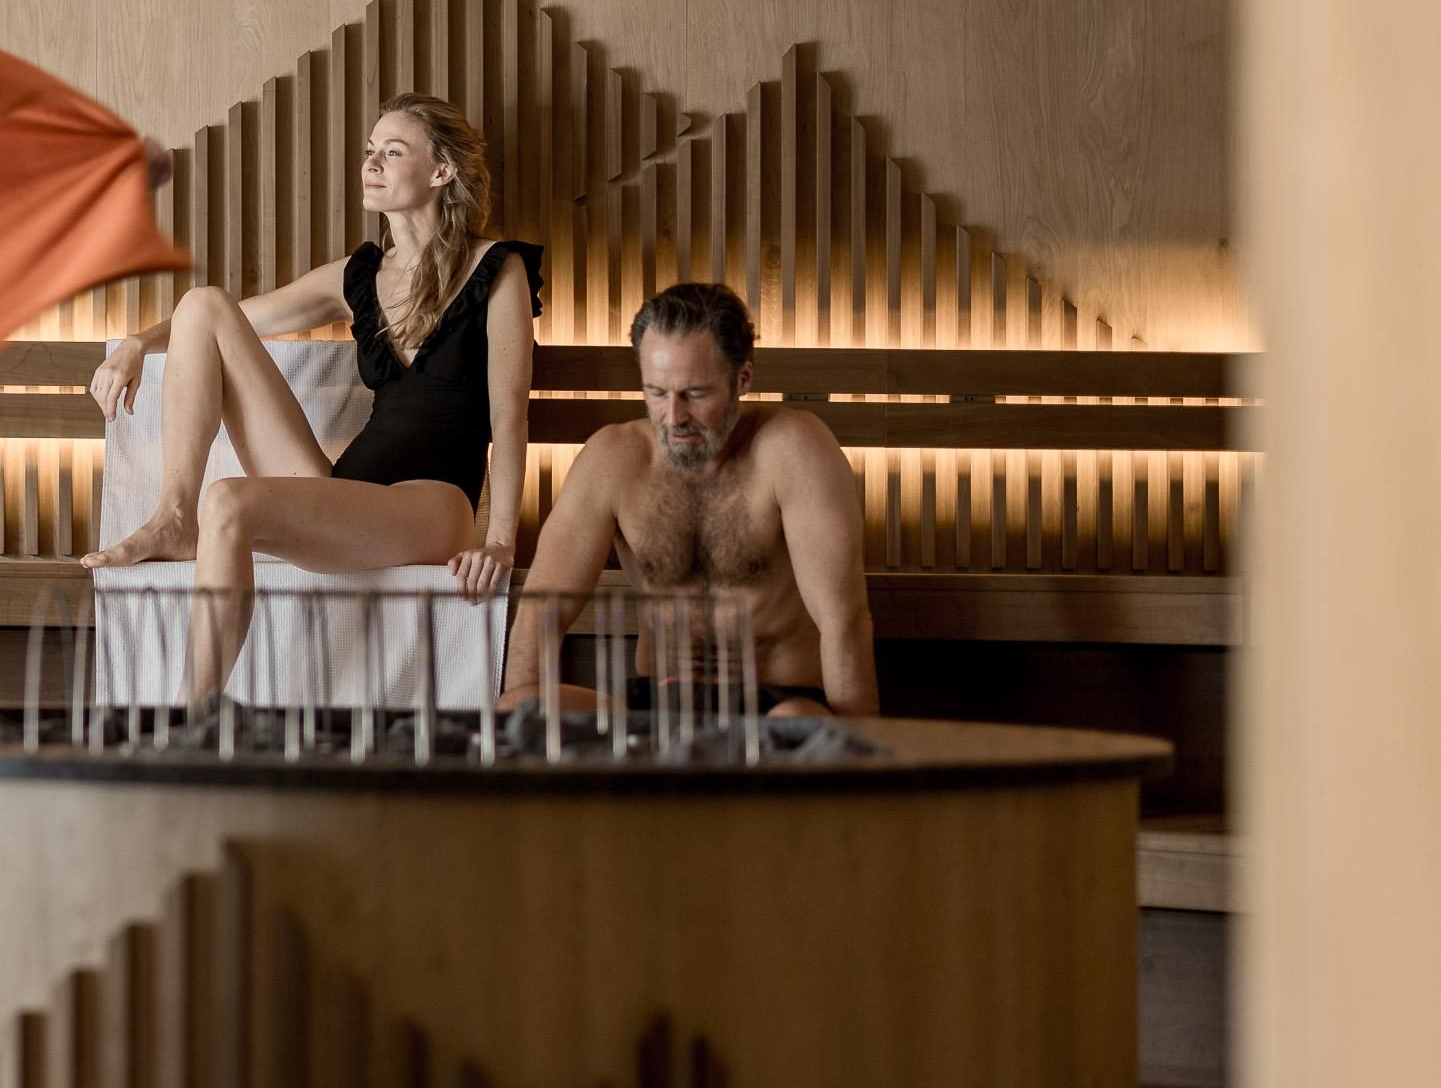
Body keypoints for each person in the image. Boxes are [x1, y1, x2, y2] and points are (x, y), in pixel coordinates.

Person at [80, 93, 541, 698]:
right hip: (342, 493)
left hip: (431, 505)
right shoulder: (359, 274)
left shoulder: (496, 270)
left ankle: (191, 716)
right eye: (370, 150)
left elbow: (509, 416)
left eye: (392, 152)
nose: (370, 163)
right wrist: (137, 344)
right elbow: (233, 319)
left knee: (231, 501)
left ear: (441, 171)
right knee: (203, 305)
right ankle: (174, 516)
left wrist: (501, 541)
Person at [503, 281, 878, 717]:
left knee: (795, 722)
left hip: (775, 704)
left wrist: (859, 748)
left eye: (695, 394)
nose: (674, 416)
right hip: (656, 706)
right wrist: (518, 734)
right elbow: (540, 615)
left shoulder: (793, 447)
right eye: (656, 392)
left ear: (742, 379)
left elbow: (843, 620)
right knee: (519, 707)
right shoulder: (613, 458)